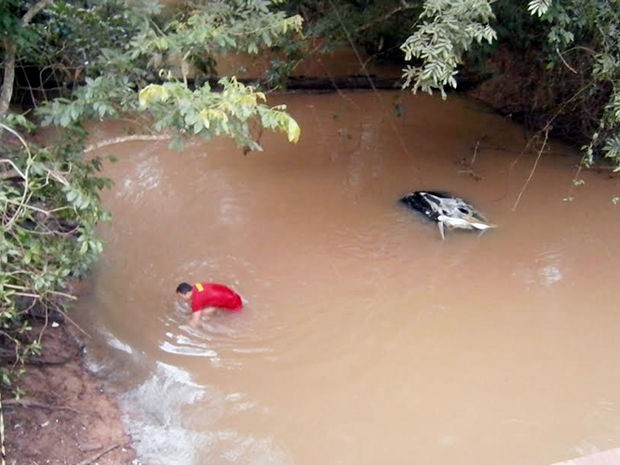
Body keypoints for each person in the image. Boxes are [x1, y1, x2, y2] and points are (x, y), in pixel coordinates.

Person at [176, 282, 243, 327]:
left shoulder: (196, 300)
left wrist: (184, 327)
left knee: (199, 316)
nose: (181, 298)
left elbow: (194, 323)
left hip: (234, 304)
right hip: (232, 294)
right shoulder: (198, 285)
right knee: (202, 311)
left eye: (181, 296)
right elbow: (205, 294)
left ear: (187, 293)